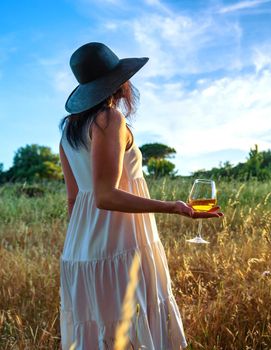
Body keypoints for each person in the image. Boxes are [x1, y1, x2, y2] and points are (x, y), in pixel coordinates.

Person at [58, 42, 223, 349]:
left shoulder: (69, 131)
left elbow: (74, 199)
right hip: (121, 245)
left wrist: (80, 247)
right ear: (119, 81)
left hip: (80, 251)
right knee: (134, 330)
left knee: (99, 336)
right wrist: (174, 207)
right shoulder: (109, 120)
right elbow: (105, 195)